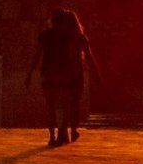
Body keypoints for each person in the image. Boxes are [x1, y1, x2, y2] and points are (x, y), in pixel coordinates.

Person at [32, 9, 98, 146]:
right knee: (71, 104)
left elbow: (39, 55)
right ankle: (69, 130)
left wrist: (30, 73)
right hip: (70, 74)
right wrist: (96, 73)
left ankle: (55, 135)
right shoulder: (76, 37)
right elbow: (88, 57)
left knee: (54, 106)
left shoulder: (49, 35)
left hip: (53, 74)